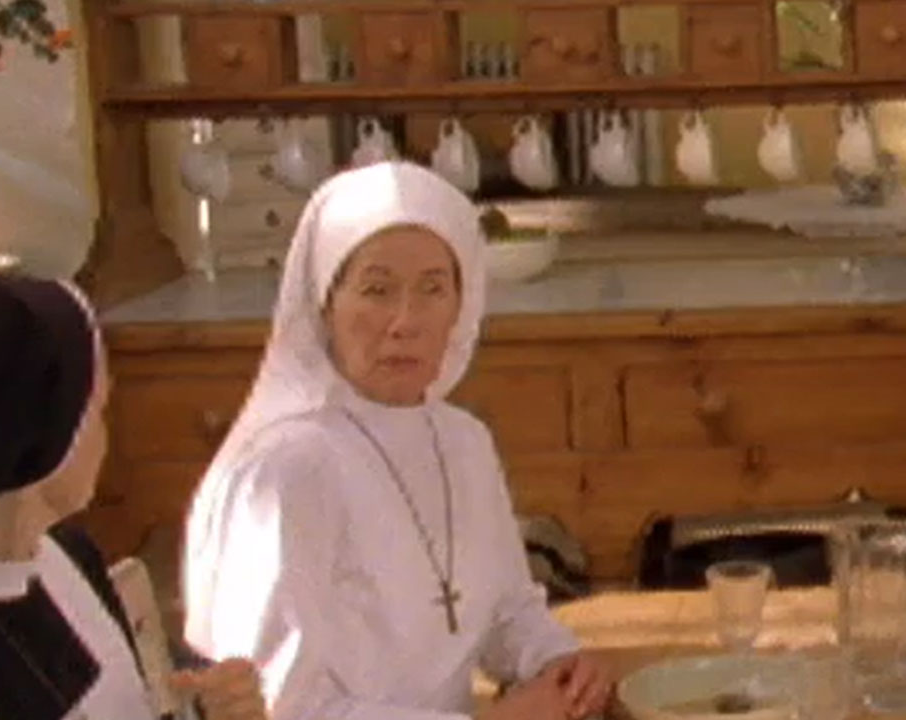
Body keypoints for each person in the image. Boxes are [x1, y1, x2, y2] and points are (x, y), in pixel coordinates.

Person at [182, 161, 614, 720]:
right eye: (377, 290)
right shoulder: (288, 468)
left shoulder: (463, 441)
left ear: (462, 306)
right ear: (325, 304)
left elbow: (505, 611)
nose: (405, 321)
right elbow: (285, 708)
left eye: (433, 289)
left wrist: (559, 662)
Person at [0, 273, 269, 720]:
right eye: (100, 409)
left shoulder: (70, 558)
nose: (109, 435)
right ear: (40, 436)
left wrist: (205, 709)